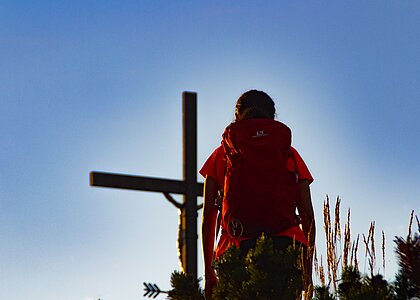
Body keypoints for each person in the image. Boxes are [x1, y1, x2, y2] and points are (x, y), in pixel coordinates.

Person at [201, 90, 316, 299]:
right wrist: (307, 271)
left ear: (237, 117)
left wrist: (210, 274)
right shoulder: (289, 153)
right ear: (272, 118)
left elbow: (208, 216)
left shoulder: (223, 154)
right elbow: (307, 215)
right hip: (286, 247)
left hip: (237, 250)